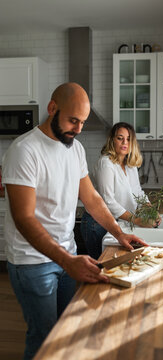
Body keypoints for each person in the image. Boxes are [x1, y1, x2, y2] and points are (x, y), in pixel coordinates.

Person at [2, 83, 147, 360]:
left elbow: (91, 199)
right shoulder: (24, 151)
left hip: (66, 255)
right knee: (44, 340)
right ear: (52, 108)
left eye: (83, 122)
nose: (78, 128)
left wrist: (119, 234)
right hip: (32, 263)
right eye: (73, 120)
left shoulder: (75, 149)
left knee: (66, 333)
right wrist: (68, 261)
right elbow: (23, 219)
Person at [81, 122, 160, 259]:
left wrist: (150, 210)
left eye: (128, 139)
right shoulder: (106, 163)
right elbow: (108, 201)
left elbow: (138, 192)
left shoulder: (130, 165)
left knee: (113, 264)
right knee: (101, 267)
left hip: (117, 222)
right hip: (97, 224)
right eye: (120, 138)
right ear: (112, 140)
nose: (125, 142)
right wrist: (137, 220)